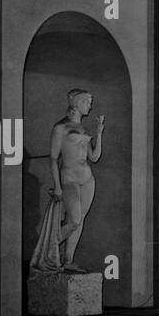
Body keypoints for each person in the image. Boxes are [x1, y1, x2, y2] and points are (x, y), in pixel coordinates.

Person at [48, 88, 104, 272]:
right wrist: (57, 186)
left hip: (87, 179)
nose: (90, 105)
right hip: (69, 177)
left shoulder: (83, 129)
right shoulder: (61, 128)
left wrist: (99, 132)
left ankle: (68, 260)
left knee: (80, 221)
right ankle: (50, 247)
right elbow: (54, 158)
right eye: (87, 102)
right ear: (77, 103)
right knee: (74, 220)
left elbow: (94, 157)